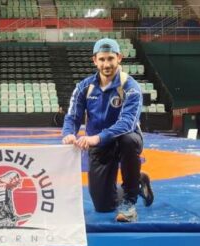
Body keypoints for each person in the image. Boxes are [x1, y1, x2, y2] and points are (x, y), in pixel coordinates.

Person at [61, 38, 154, 223]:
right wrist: (69, 133)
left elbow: (127, 123)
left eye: (110, 58)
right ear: (94, 60)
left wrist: (97, 138)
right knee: (103, 205)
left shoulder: (131, 87)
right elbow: (72, 116)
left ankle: (129, 201)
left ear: (119, 58)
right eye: (102, 59)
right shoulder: (84, 87)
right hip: (100, 144)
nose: (106, 64)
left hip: (124, 139)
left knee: (128, 140)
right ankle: (138, 181)